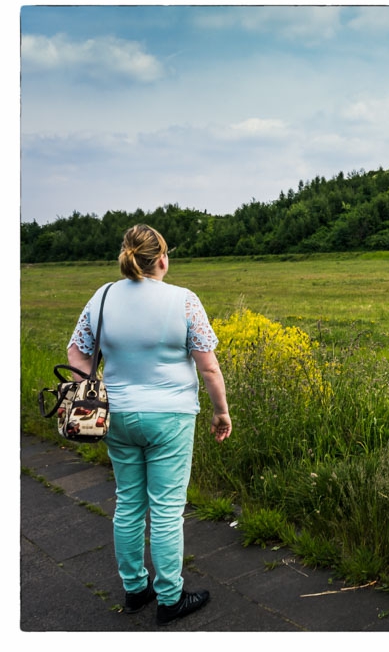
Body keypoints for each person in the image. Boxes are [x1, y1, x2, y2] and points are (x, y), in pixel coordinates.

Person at [67, 224, 232, 626]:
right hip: (170, 418)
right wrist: (220, 411)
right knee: (166, 510)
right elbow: (208, 366)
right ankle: (170, 598)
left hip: (117, 416)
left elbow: (77, 353)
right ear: (162, 259)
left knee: (127, 504)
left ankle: (135, 590)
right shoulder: (184, 301)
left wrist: (87, 392)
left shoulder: (103, 297)